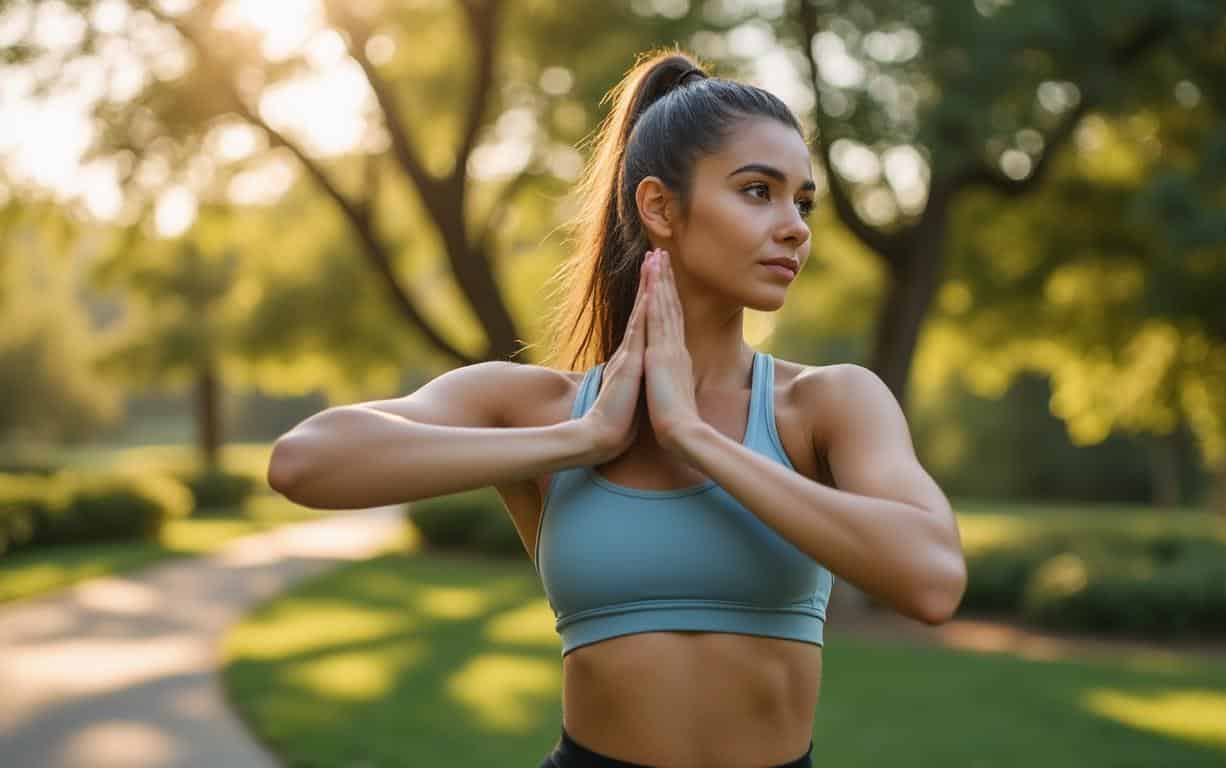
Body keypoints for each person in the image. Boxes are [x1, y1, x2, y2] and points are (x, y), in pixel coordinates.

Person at [267, 48, 965, 768]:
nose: (795, 226)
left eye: (803, 201)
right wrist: (582, 438)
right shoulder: (539, 407)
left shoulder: (828, 402)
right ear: (660, 206)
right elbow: (305, 463)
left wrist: (695, 438)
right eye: (759, 191)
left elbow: (932, 580)